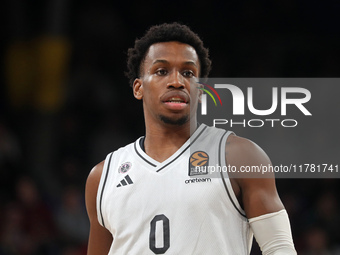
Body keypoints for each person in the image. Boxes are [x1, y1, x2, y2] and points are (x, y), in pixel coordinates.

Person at [85, 22, 297, 254]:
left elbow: (280, 248)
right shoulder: (103, 176)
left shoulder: (240, 156)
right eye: (161, 71)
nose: (177, 81)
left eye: (188, 73)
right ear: (138, 88)